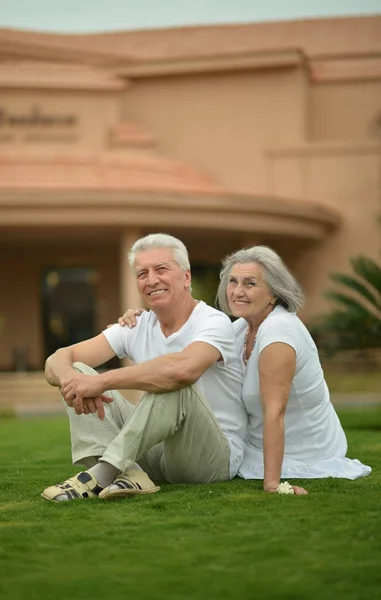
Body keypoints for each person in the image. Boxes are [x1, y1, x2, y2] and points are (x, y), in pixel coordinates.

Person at [119, 246, 371, 494]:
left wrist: (272, 484)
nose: (237, 292)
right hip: (252, 450)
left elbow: (276, 410)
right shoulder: (239, 329)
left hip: (304, 453)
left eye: (250, 283)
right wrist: (150, 316)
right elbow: (185, 351)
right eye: (233, 282)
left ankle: (109, 469)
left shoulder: (279, 330)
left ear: (274, 293)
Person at [42, 233, 247, 503]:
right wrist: (73, 380)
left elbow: (182, 371)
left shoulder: (213, 322)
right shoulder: (135, 325)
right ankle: (131, 473)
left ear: (186, 277)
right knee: (78, 370)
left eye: (161, 269)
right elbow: (55, 361)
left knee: (174, 379)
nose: (151, 280)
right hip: (152, 453)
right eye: (142, 273)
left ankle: (104, 473)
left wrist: (103, 382)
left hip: (209, 456)